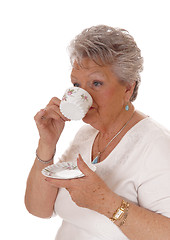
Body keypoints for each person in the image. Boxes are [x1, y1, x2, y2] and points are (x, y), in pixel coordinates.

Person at [25, 25, 170, 240]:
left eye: (96, 83)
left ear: (128, 88)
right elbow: (39, 209)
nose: (83, 93)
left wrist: (106, 203)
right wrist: (47, 144)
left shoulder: (156, 146)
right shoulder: (86, 134)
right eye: (77, 84)